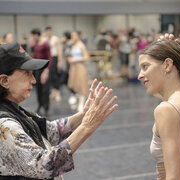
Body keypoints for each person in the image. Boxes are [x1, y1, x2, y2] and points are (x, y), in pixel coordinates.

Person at [0, 42, 118, 180]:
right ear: (4, 81)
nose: (33, 80)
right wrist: (86, 127)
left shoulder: (16, 110)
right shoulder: (5, 125)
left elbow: (50, 131)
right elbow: (44, 165)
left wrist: (84, 114)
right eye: (27, 73)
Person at [138, 40, 180, 180]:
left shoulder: (166, 110)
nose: (140, 75)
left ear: (168, 65)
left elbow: (174, 177)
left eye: (145, 66)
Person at [30, 28, 53, 116]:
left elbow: (50, 58)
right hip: (37, 69)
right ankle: (40, 104)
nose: (32, 37)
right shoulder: (35, 44)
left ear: (37, 35)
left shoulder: (45, 44)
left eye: (33, 35)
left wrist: (46, 71)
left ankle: (46, 107)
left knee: (45, 89)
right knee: (38, 88)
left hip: (45, 68)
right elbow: (35, 56)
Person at [67, 31, 90, 112]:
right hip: (73, 67)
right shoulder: (73, 45)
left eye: (74, 35)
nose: (73, 37)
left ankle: (82, 102)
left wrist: (75, 60)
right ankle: (77, 98)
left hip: (80, 66)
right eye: (72, 35)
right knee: (75, 84)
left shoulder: (81, 45)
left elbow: (86, 57)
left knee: (81, 84)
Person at [44, 26, 63, 102]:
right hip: (47, 58)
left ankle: (57, 92)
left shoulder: (55, 39)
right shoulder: (44, 39)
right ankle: (54, 92)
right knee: (49, 76)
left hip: (54, 58)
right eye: (47, 31)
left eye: (50, 31)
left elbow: (59, 50)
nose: (48, 32)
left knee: (54, 75)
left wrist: (60, 61)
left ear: (51, 31)